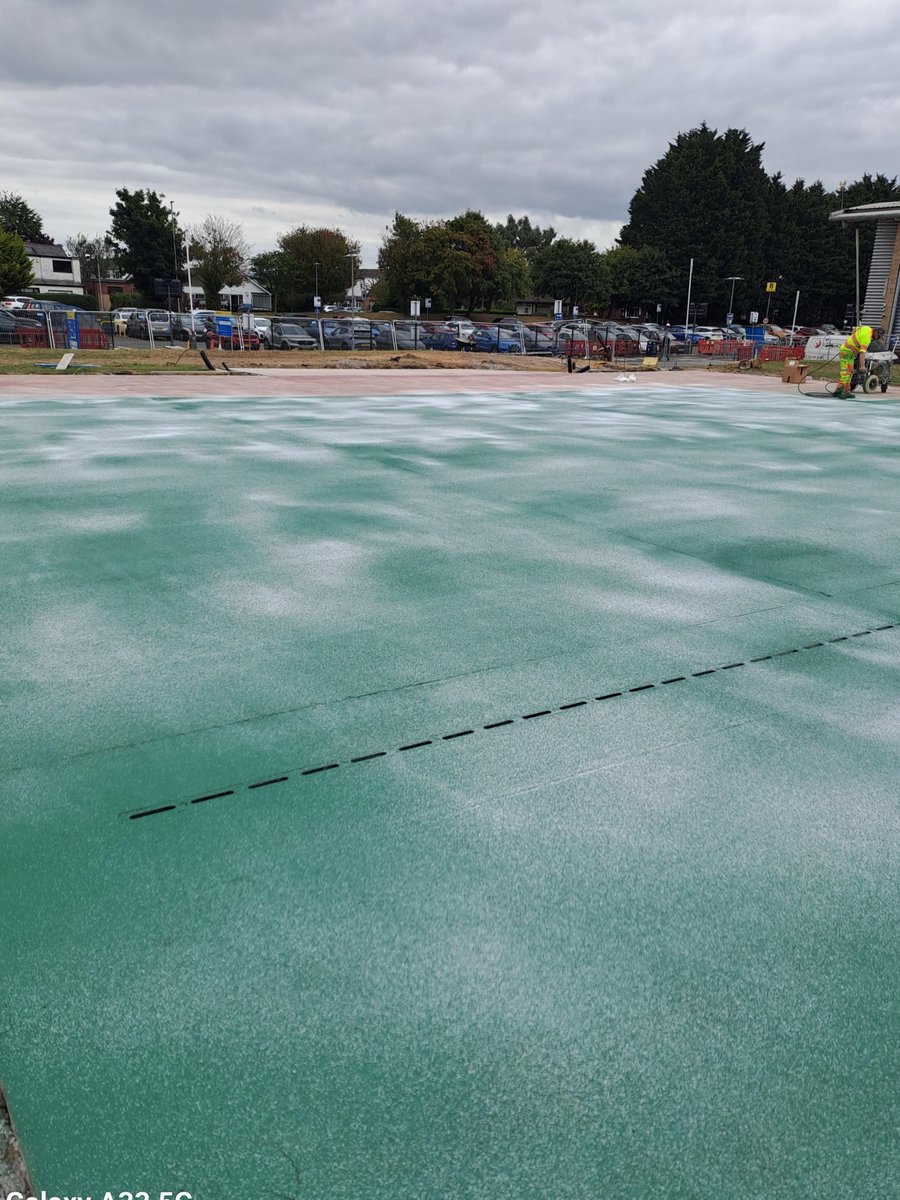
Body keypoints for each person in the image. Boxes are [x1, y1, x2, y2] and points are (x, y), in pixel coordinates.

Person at [835, 323, 882, 398]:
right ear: (876, 333)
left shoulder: (867, 328)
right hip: (846, 352)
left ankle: (845, 391)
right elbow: (862, 353)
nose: (876, 339)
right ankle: (840, 391)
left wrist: (853, 339)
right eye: (878, 337)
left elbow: (855, 329)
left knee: (850, 372)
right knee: (846, 373)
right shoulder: (866, 338)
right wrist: (862, 366)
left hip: (848, 352)